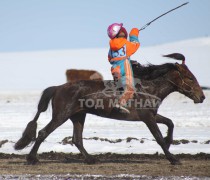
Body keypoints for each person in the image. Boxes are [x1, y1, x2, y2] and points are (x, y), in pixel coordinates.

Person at [107, 23, 140, 114]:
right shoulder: (126, 44)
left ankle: (122, 98)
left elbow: (110, 59)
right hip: (124, 66)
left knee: (121, 87)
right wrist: (134, 34)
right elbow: (135, 45)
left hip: (115, 69)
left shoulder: (111, 47)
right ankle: (121, 104)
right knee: (130, 89)